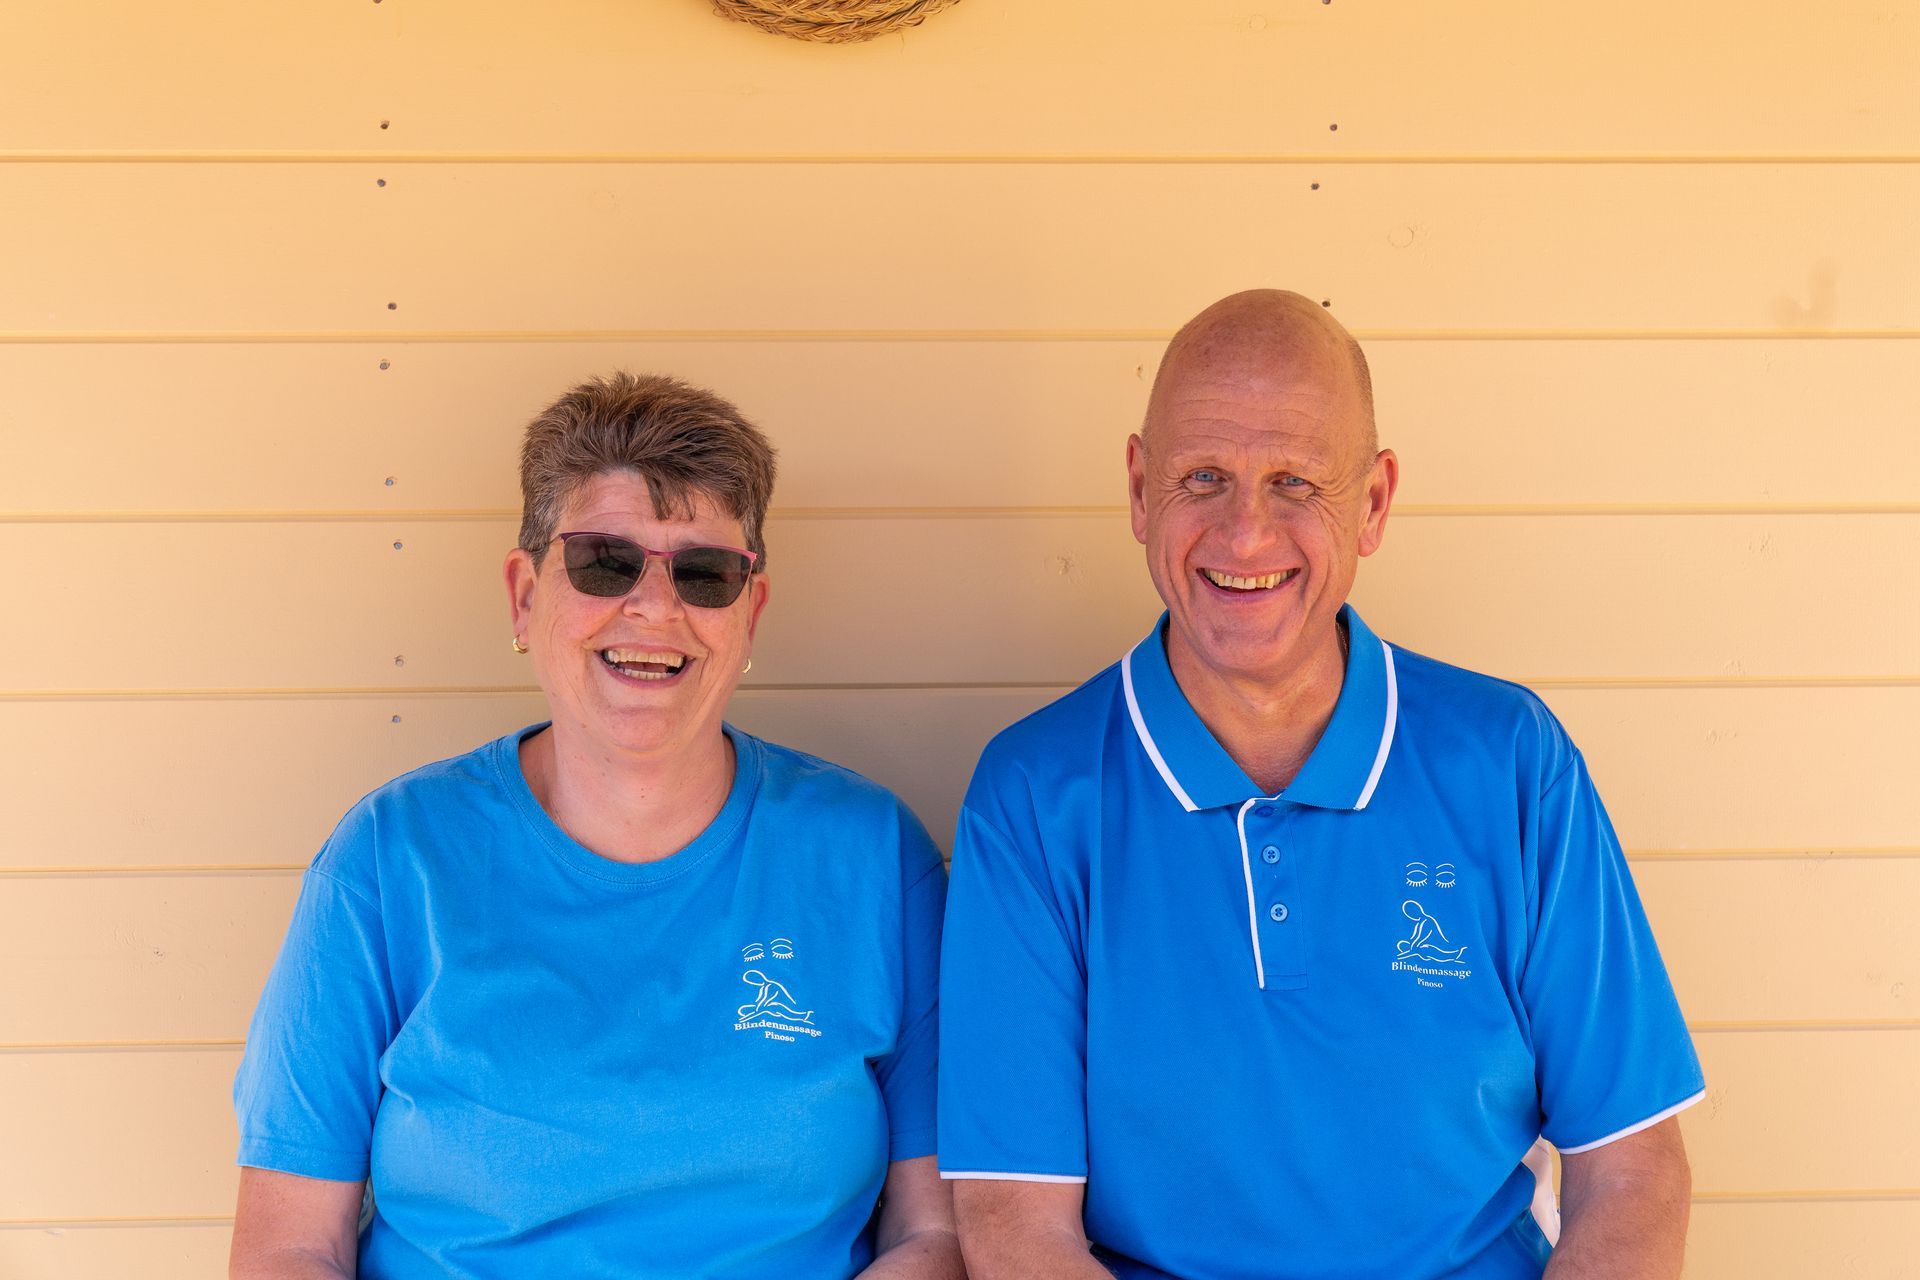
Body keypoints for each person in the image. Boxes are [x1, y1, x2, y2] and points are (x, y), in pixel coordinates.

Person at [937, 291, 1703, 1279]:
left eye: (1294, 482)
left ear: (1374, 502)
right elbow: (1014, 1224)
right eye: (1202, 477)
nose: (1245, 533)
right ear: (1138, 490)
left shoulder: (1510, 760)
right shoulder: (1035, 797)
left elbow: (1634, 1171)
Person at [230, 373, 962, 1279]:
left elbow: (934, 1233)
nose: (655, 608)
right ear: (523, 595)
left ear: (750, 612)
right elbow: (291, 1246)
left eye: (704, 573)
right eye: (605, 562)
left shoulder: (873, 859)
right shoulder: (389, 861)